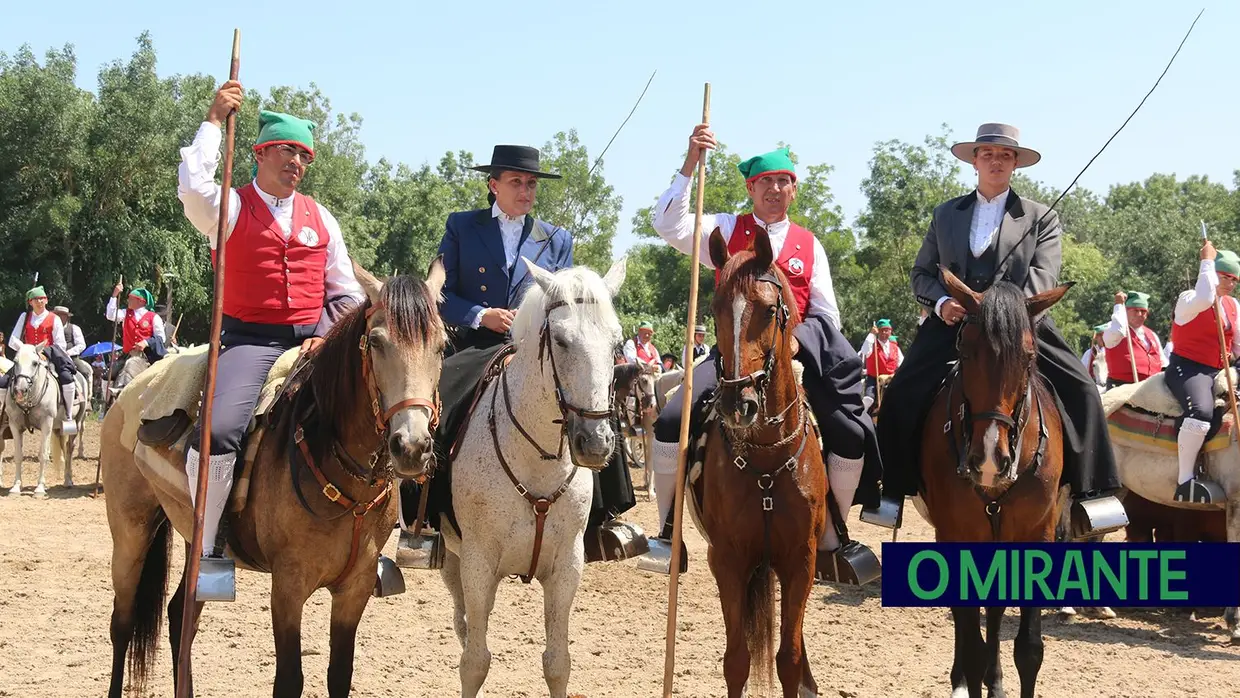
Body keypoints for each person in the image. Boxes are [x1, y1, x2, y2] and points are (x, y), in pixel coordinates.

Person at [152, 80, 366, 598]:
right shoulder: (228, 206)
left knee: (385, 412)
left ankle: (378, 546)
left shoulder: (322, 218)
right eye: (287, 150)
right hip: (248, 340)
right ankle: (210, 550)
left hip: (315, 338)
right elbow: (191, 187)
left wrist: (330, 337)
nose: (297, 161)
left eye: (304, 155)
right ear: (260, 152)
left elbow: (345, 290)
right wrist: (211, 119)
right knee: (222, 430)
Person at [645, 126, 886, 581]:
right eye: (765, 182)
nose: (775, 190)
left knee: (850, 433)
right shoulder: (724, 227)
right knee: (671, 421)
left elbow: (828, 315)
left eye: (783, 181)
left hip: (794, 360)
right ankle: (667, 531)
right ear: (750, 188)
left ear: (794, 188)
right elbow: (666, 224)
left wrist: (799, 340)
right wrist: (690, 163)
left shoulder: (809, 244)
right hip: (732, 361)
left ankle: (834, 536)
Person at [875, 123, 1124, 538]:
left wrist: (1004, 313)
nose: (996, 161)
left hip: (1022, 324)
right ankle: (890, 492)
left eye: (1005, 156)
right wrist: (942, 302)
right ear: (975, 160)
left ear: (1015, 164)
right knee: (901, 391)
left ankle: (1091, 495)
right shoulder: (945, 214)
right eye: (987, 154)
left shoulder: (1041, 216)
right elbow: (922, 273)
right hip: (957, 323)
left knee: (1082, 388)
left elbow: (1044, 277)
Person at [405, 144, 642, 564]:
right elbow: (440, 295)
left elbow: (565, 301)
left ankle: (603, 521)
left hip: (539, 348)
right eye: (516, 182)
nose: (526, 190)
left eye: (531, 183)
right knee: (439, 399)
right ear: (493, 185)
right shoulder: (462, 226)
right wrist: (482, 314)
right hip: (480, 343)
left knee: (591, 399)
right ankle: (424, 517)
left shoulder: (556, 238)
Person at [1164, 243, 1240, 503]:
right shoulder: (1189, 299)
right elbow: (1206, 297)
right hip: (1187, 367)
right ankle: (1185, 480)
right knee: (1201, 412)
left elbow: (1238, 344)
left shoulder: (1233, 306)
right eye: (1225, 276)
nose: (1230, 283)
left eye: (1234, 279)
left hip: (1218, 369)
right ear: (1212, 273)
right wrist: (1206, 261)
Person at [6, 287, 79, 433]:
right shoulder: (24, 317)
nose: (40, 302)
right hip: (26, 359)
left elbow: (60, 344)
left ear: (46, 300)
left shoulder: (54, 318)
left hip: (48, 358)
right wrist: (26, 349)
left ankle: (69, 416)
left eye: (42, 299)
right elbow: (12, 340)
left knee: (67, 379)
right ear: (30, 302)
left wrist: (42, 351)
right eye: (36, 299)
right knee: (3, 382)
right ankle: (6, 416)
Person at [1102, 290, 1167, 388]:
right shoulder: (1112, 329)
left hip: (1151, 389)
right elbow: (1118, 330)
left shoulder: (1152, 335)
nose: (1140, 314)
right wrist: (1119, 305)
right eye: (1136, 310)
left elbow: (1163, 363)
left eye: (1143, 311)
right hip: (1121, 388)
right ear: (1125, 311)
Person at [103, 287, 168, 377]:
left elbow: (161, 338)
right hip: (129, 355)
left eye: (131, 298)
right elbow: (110, 315)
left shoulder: (154, 317)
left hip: (148, 356)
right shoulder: (125, 313)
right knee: (108, 376)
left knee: (161, 377)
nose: (128, 300)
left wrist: (145, 342)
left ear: (141, 301)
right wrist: (114, 295)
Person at [858, 319, 903, 412]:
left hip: (891, 378)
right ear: (878, 331)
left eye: (887, 330)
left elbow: (901, 363)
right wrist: (871, 335)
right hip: (874, 378)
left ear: (890, 331)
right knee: (868, 399)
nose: (884, 332)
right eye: (882, 330)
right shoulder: (872, 345)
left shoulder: (895, 347)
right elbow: (865, 351)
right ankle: (862, 415)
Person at [52, 305, 92, 385]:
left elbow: (81, 344)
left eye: (62, 315)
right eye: (57, 315)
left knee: (84, 372)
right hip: (52, 356)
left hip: (71, 357)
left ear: (67, 317)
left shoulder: (74, 328)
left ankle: (85, 395)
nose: (59, 317)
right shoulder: (50, 327)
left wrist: (69, 352)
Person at [1079, 324, 1109, 388]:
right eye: (1100, 335)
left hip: (1108, 383)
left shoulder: (1112, 351)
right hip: (1092, 384)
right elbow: (1082, 369)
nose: (1102, 337)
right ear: (1096, 337)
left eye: (1104, 335)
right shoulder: (1089, 353)